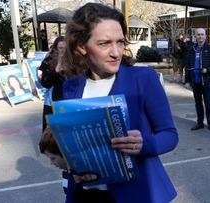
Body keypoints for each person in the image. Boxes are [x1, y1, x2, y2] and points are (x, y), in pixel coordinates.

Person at [61, 3, 178, 202]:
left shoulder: (144, 78)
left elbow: (169, 135)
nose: (116, 52)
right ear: (81, 47)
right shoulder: (71, 87)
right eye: (104, 43)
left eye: (120, 42)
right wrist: (69, 163)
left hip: (135, 193)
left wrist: (144, 144)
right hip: (85, 194)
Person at [39, 126, 116, 202]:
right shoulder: (68, 173)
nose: (52, 163)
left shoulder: (89, 180)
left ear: (66, 155)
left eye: (52, 158)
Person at [184, 28, 210, 131]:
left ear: (205, 36)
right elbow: (187, 65)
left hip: (206, 81)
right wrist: (187, 81)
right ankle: (200, 123)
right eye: (198, 34)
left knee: (208, 103)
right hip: (195, 82)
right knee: (198, 103)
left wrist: (207, 70)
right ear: (195, 36)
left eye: (202, 34)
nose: (200, 36)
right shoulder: (192, 49)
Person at [38, 36, 66, 132]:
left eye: (65, 48)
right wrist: (56, 70)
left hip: (69, 100)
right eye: (60, 48)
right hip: (52, 102)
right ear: (55, 48)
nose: (63, 51)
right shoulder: (47, 61)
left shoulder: (73, 60)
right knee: (51, 132)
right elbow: (46, 83)